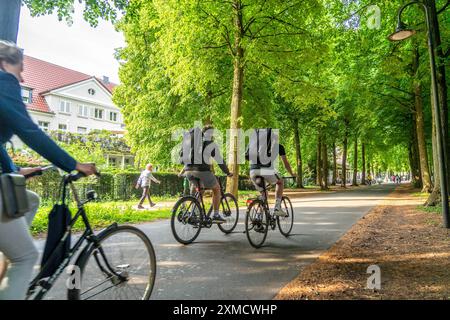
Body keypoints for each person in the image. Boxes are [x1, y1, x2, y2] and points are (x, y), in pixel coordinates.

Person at [0, 41, 97, 300]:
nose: (21, 77)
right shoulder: (3, 83)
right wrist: (74, 164)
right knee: (26, 257)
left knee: (30, 200)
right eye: (20, 69)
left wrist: (17, 169)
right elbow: (31, 132)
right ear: (4, 63)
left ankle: (5, 255)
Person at [180, 125, 232, 223]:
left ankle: (194, 213)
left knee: (201, 190)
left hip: (188, 171)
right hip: (201, 171)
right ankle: (216, 215)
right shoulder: (210, 143)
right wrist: (227, 172)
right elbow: (220, 161)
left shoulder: (194, 143)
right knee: (217, 189)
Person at [246, 128, 296, 216]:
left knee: (263, 194)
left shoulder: (256, 146)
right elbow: (286, 164)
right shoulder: (278, 147)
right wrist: (292, 174)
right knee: (280, 182)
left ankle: (258, 218)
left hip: (253, 171)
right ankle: (277, 208)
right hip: (266, 171)